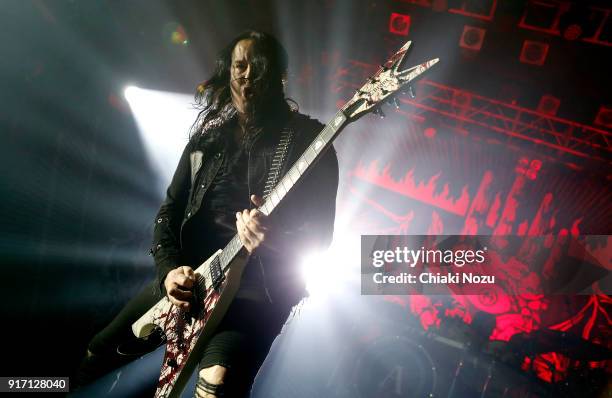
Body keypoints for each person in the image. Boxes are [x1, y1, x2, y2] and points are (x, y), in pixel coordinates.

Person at [77, 30, 338, 398]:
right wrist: (170, 272)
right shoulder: (207, 139)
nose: (247, 75)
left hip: (255, 291)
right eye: (240, 65)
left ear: (281, 75)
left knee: (216, 385)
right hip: (191, 281)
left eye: (258, 66)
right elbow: (168, 213)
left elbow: (320, 237)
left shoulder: (311, 142)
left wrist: (275, 239)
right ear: (228, 72)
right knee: (98, 353)